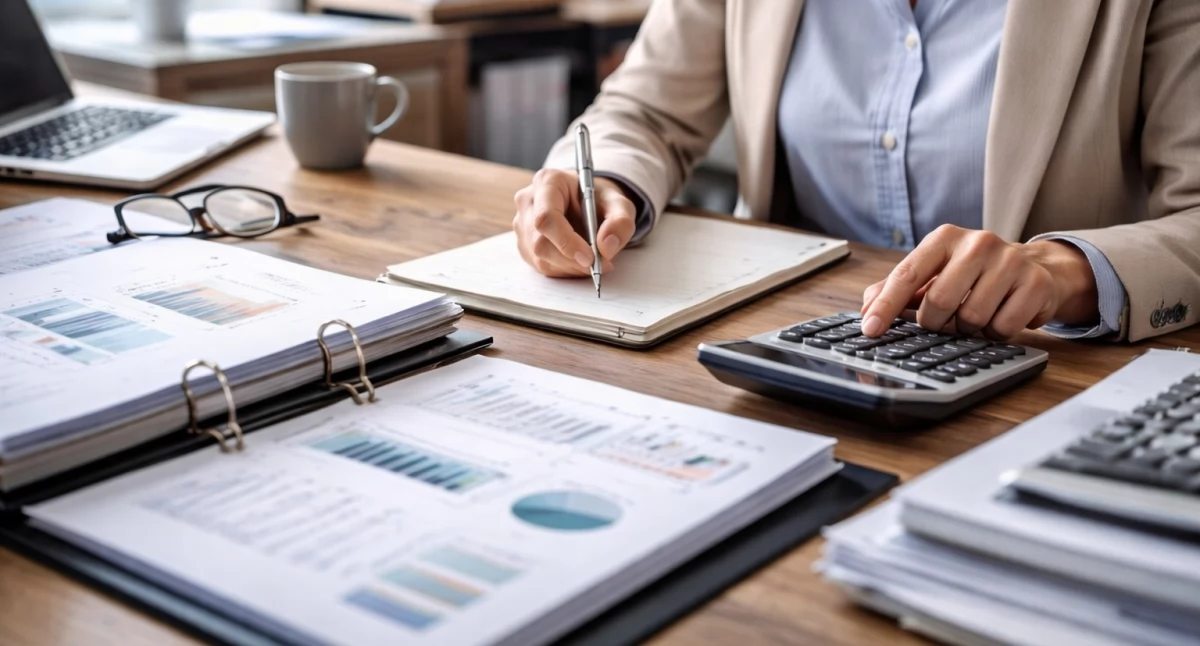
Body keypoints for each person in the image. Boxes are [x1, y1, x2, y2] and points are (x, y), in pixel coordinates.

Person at [510, 0, 1200, 342]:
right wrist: (604, 180)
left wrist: (1065, 269)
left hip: (1042, 373)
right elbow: (643, 109)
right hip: (787, 347)